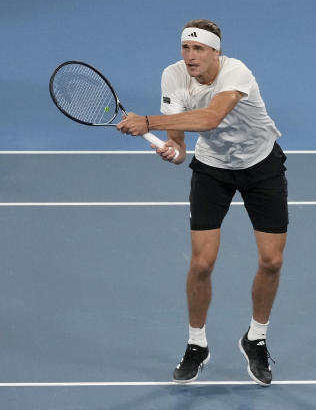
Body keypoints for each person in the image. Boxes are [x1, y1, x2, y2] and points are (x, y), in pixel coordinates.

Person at [117, 19, 286, 386]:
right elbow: (177, 139)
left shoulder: (236, 72)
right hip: (213, 169)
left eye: (199, 49)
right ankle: (197, 344)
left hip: (261, 165)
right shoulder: (173, 76)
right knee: (202, 263)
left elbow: (210, 118)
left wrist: (147, 121)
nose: (190, 56)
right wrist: (173, 150)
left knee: (272, 261)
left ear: (216, 53)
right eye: (185, 48)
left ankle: (255, 337)